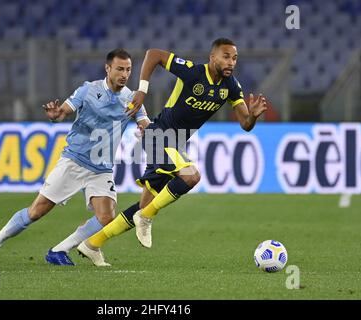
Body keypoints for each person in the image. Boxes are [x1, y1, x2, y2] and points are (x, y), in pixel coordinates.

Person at [76, 38, 268, 266]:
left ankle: (92, 244)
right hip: (158, 135)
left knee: (144, 204)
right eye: (226, 56)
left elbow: (245, 124)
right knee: (191, 175)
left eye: (234, 58)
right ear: (212, 57)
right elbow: (154, 54)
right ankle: (146, 218)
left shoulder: (231, 87)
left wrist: (253, 116)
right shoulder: (193, 72)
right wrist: (142, 90)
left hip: (174, 144)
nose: (231, 62)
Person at [0, 49, 150, 265]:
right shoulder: (88, 90)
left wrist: (147, 130)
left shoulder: (132, 99)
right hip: (74, 162)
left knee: (106, 217)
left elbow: (145, 123)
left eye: (128, 69)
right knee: (36, 212)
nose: (124, 74)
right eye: (120, 69)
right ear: (107, 68)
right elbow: (63, 111)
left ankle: (58, 251)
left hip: (101, 169)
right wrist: (56, 115)